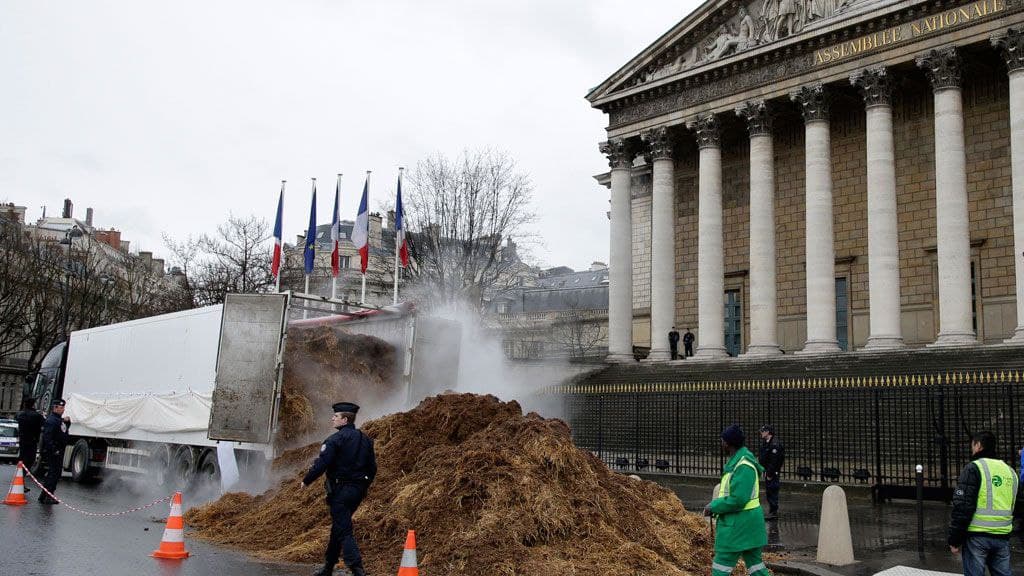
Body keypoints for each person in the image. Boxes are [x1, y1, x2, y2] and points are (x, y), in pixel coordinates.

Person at [300, 401, 377, 576]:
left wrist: (306, 481)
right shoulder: (366, 440)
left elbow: (322, 464)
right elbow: (372, 468)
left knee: (344, 529)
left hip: (341, 491)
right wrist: (363, 485)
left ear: (345, 420)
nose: (332, 418)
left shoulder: (334, 440)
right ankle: (328, 566)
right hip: (358, 491)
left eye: (335, 416)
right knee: (339, 526)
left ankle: (357, 568)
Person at [948, 431, 1023, 576]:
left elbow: (963, 507)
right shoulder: (1010, 471)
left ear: (978, 445)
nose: (972, 449)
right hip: (1002, 536)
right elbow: (1018, 505)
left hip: (977, 536)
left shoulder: (974, 468)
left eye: (973, 445)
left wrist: (955, 539)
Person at [703, 424, 770, 576]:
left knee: (721, 567)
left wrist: (714, 506)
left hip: (738, 526)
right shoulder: (740, 462)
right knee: (756, 567)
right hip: (746, 524)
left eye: (722, 441)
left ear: (728, 443)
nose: (721, 444)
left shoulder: (743, 466)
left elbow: (738, 499)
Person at [38, 398, 71, 504]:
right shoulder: (52, 420)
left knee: (55, 473)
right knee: (53, 474)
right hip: (54, 451)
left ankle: (45, 495)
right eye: (61, 408)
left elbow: (63, 431)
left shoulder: (59, 420)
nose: (63, 410)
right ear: (55, 408)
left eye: (63, 408)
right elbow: (48, 437)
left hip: (59, 449)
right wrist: (54, 449)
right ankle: (48, 495)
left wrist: (67, 422)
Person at [15, 397, 45, 484]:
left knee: (22, 459)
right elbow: (44, 425)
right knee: (30, 460)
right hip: (32, 440)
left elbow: (16, 419)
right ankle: (22, 478)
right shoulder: (37, 416)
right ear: (33, 404)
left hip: (22, 440)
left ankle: (20, 477)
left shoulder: (20, 414)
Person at [758, 425, 784, 520]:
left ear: (768, 432)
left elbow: (775, 461)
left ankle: (773, 512)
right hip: (767, 470)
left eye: (763, 431)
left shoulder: (774, 444)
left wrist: (769, 473)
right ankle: (772, 511)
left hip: (772, 472)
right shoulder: (767, 442)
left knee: (772, 490)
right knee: (769, 491)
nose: (761, 432)